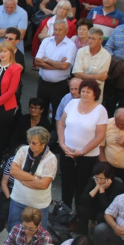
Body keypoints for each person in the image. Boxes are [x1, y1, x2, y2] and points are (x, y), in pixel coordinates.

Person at [58, 79, 108, 208]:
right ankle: (64, 214)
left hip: (87, 156)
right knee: (66, 184)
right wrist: (63, 145)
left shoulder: (100, 110)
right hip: (67, 152)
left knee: (81, 186)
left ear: (95, 94)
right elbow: (61, 124)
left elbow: (100, 136)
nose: (84, 94)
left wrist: (82, 151)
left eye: (88, 92)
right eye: (83, 91)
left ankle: (79, 217)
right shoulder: (72, 103)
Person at [76, 162, 124, 235]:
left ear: (109, 177)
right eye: (96, 177)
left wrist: (102, 190)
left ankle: (98, 237)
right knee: (82, 209)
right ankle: (82, 236)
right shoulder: (93, 180)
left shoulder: (117, 187)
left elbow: (106, 210)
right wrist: (97, 187)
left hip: (108, 213)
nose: (98, 180)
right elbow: (83, 201)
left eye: (101, 178)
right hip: (94, 208)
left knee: (101, 216)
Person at [72, 27, 112, 101]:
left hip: (95, 94)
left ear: (101, 40)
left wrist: (83, 75)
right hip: (79, 93)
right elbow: (76, 74)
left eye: (93, 39)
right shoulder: (81, 51)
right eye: (89, 38)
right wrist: (97, 76)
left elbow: (99, 81)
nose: (90, 41)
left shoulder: (106, 56)